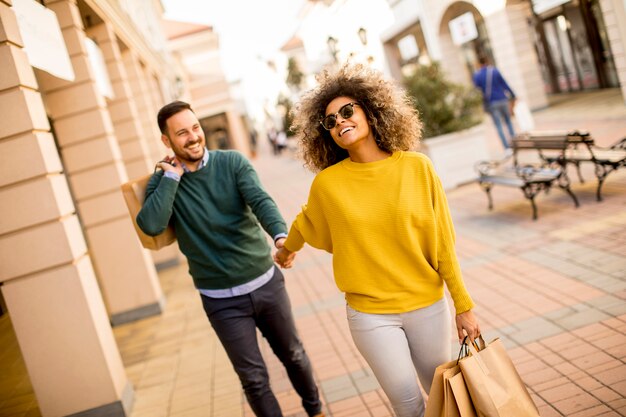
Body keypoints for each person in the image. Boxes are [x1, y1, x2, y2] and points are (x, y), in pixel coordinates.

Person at [274, 64, 481, 417]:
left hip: (427, 306)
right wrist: (286, 250)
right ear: (327, 134)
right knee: (408, 404)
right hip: (370, 315)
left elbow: (443, 242)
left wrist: (463, 304)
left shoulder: (418, 168)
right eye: (330, 120)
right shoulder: (328, 184)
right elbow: (306, 221)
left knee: (444, 398)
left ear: (370, 112)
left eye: (347, 111)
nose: (339, 121)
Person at [137, 101, 324, 417]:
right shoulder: (162, 181)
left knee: (293, 354)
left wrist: (281, 237)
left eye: (195, 128)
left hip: (266, 285)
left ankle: (315, 410)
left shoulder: (232, 163)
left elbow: (260, 200)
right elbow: (151, 225)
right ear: (166, 141)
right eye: (181, 133)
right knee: (253, 380)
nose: (193, 137)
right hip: (221, 302)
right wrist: (171, 179)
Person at [472, 55, 516, 152]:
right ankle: (515, 143)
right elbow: (504, 84)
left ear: (479, 64)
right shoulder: (495, 71)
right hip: (503, 99)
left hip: (492, 102)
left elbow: (476, 88)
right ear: (487, 61)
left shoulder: (478, 75)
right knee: (508, 122)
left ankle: (507, 149)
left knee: (498, 125)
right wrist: (513, 95)